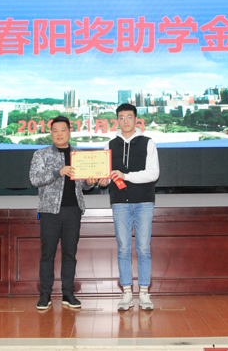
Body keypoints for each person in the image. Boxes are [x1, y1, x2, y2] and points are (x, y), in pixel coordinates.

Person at [29, 115, 98, 310]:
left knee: (70, 254)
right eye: (55, 131)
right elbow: (34, 179)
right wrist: (58, 172)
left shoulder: (80, 155)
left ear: (69, 132)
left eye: (63, 130)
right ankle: (45, 295)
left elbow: (84, 185)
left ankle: (68, 293)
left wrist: (90, 183)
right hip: (50, 212)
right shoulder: (41, 154)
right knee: (47, 254)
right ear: (51, 133)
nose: (59, 134)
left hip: (73, 210)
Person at [98, 103, 159, 311]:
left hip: (144, 202)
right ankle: (126, 293)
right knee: (123, 249)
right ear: (117, 120)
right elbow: (106, 175)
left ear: (136, 119)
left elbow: (153, 174)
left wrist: (126, 176)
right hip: (119, 203)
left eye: (129, 117)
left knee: (143, 249)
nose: (125, 121)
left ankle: (144, 293)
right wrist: (103, 181)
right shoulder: (109, 145)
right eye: (121, 117)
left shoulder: (148, 142)